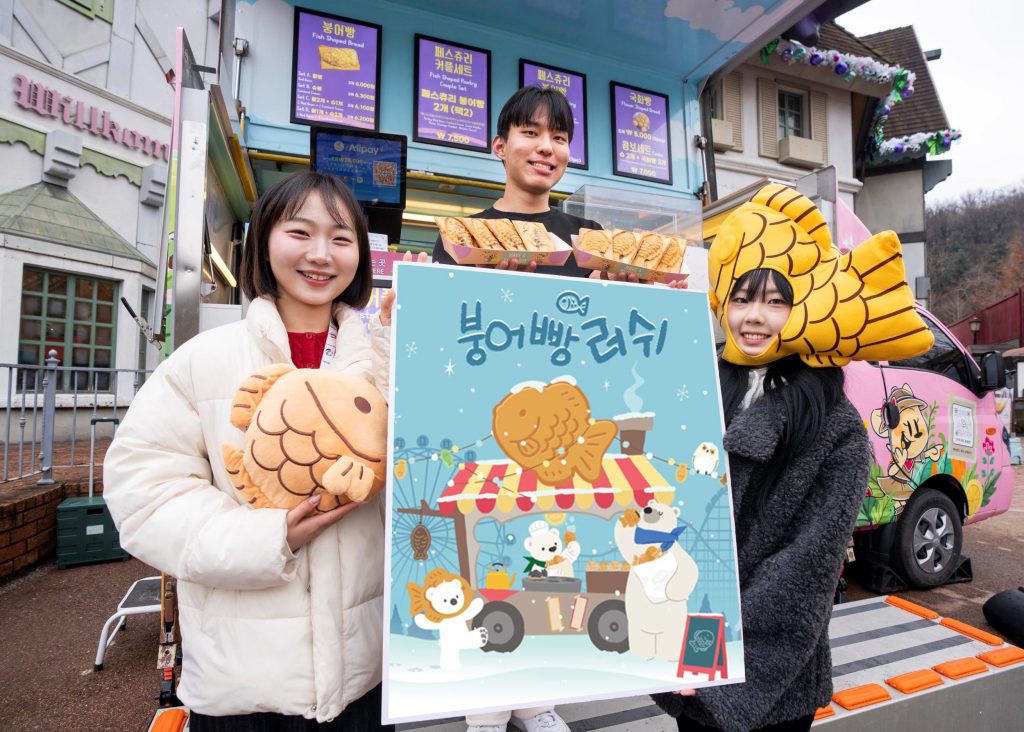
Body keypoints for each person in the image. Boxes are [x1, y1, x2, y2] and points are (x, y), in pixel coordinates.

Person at [103, 171, 397, 731]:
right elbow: (143, 492)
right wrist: (271, 537)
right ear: (262, 239)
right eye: (299, 232)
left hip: (368, 672)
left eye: (341, 238)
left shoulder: (386, 367)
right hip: (242, 685)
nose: (320, 254)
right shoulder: (203, 360)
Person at [652, 266, 871, 732]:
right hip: (686, 646)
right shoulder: (696, 385)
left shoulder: (837, 424)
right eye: (741, 299)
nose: (754, 317)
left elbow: (805, 565)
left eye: (776, 302)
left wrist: (710, 654)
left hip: (768, 668)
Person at [431, 84, 602, 279]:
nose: (546, 147)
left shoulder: (590, 236)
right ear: (500, 146)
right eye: (531, 132)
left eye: (559, 138)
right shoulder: (460, 235)